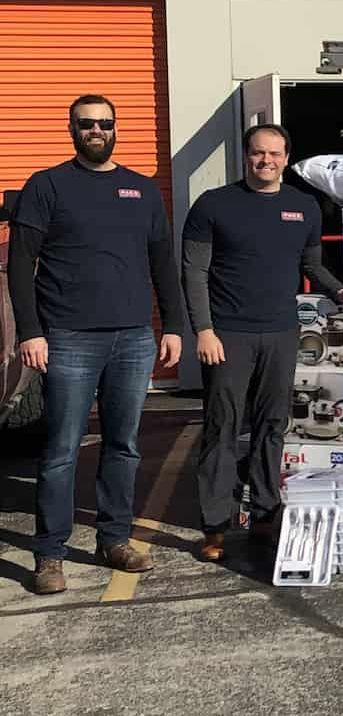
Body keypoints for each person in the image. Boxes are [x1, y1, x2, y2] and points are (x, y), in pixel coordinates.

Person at [8, 96, 186, 596]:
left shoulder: (143, 190)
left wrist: (172, 325)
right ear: (71, 128)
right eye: (86, 124)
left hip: (133, 339)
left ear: (115, 129)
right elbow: (21, 265)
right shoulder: (46, 186)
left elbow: (162, 264)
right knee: (62, 450)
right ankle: (50, 554)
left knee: (124, 446)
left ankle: (114, 538)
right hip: (67, 339)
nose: (96, 131)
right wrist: (30, 331)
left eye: (104, 124)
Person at [183, 124, 343, 562]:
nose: (266, 161)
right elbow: (194, 272)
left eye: (274, 154)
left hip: (280, 331)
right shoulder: (214, 205)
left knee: (271, 426)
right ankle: (215, 526)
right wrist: (203, 329)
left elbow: (312, 261)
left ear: (286, 158)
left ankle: (264, 515)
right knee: (222, 427)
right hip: (228, 335)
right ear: (245, 156)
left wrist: (341, 293)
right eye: (258, 153)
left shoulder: (303, 206)